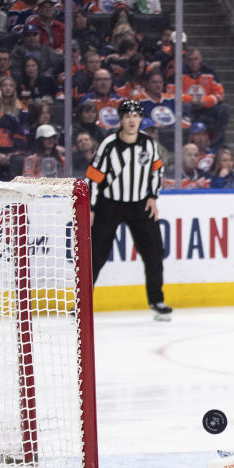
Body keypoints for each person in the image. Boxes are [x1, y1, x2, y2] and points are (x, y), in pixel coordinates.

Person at [86, 99, 171, 321]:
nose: (132, 120)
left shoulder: (149, 145)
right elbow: (94, 177)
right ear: (121, 120)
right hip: (109, 204)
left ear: (140, 119)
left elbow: (157, 171)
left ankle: (157, 300)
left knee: (154, 251)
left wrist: (153, 196)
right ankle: (83, 302)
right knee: (96, 254)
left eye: (135, 116)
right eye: (127, 116)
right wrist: (92, 207)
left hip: (140, 204)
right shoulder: (109, 145)